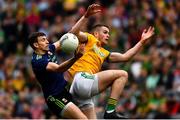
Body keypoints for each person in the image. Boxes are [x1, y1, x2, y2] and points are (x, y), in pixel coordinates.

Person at [64, 4, 155, 119]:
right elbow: (72, 34)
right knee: (122, 74)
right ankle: (110, 111)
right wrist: (86, 16)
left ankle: (109, 113)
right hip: (81, 79)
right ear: (96, 34)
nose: (108, 35)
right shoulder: (90, 39)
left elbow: (126, 56)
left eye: (108, 33)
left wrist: (141, 42)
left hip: (80, 92)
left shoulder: (104, 53)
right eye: (105, 32)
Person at [28, 32, 87, 119]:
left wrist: (84, 18)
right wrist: (76, 57)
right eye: (43, 40)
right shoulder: (38, 61)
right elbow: (59, 68)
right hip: (55, 97)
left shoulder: (48, 49)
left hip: (65, 91)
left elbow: (63, 40)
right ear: (36, 45)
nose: (47, 41)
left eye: (46, 39)